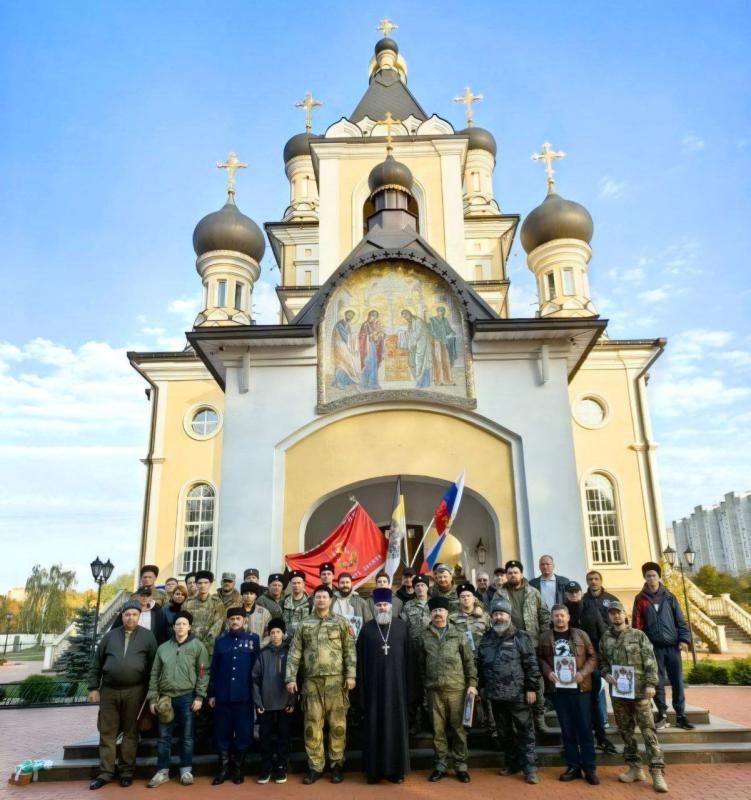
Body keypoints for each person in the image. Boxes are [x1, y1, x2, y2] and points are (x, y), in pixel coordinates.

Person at [285, 584, 356, 784]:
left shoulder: (341, 622)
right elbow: (294, 652)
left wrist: (351, 675)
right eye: (318, 597)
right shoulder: (304, 624)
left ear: (330, 600)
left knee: (338, 726)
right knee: (312, 726)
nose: (321, 600)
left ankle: (336, 765)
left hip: (336, 681)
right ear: (314, 600)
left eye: (325, 597)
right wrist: (290, 677)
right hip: (312, 683)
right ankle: (315, 766)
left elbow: (349, 650)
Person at [87, 600, 157, 790]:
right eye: (127, 614)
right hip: (109, 690)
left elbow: (153, 668)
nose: (130, 618)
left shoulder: (148, 637)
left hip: (135, 691)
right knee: (107, 732)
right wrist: (93, 688)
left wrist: (151, 692)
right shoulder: (109, 637)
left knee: (130, 733)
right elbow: (96, 663)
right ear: (122, 615)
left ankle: (126, 772)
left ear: (139, 616)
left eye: (134, 614)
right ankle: (105, 773)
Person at [600, 601, 668, 793]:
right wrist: (606, 674)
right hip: (619, 694)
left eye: (619, 613)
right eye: (612, 614)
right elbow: (602, 663)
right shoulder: (605, 638)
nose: (616, 616)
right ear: (609, 617)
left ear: (625, 614)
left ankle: (656, 771)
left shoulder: (638, 635)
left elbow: (650, 661)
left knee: (648, 731)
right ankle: (635, 767)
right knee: (626, 731)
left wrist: (650, 684)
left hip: (640, 692)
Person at [477, 598, 539, 784]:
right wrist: (482, 687)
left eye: (501, 614)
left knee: (525, 732)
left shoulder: (521, 637)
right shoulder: (486, 638)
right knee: (504, 733)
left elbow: (531, 664)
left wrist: (531, 687)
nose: (498, 617)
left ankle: (529, 768)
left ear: (509, 616)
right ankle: (511, 763)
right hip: (495, 696)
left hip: (518, 694)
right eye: (495, 614)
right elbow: (480, 664)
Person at [147, 610, 210, 788]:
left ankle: (186, 770)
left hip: (187, 696)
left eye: (184, 624)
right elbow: (154, 673)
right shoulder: (163, 648)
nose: (181, 627)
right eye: (178, 624)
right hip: (165, 698)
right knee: (164, 737)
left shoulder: (198, 647)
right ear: (173, 627)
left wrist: (199, 696)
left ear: (189, 627)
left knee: (187, 737)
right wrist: (153, 698)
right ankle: (162, 771)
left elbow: (203, 673)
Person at [418, 596, 477, 783]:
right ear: (430, 613)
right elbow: (420, 664)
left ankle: (460, 765)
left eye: (441, 610)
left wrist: (473, 684)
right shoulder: (424, 636)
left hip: (457, 690)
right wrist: (424, 686)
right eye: (434, 611)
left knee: (459, 730)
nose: (438, 614)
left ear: (447, 613)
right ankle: (440, 765)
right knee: (438, 731)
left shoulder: (459, 633)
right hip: (434, 691)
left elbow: (469, 661)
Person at [538, 604, 599, 784]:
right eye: (556, 616)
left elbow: (592, 657)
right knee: (567, 730)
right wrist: (548, 672)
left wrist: (583, 673)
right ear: (551, 618)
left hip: (580, 690)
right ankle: (573, 766)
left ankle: (589, 767)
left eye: (562, 616)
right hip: (559, 691)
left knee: (585, 730)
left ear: (568, 617)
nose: (559, 619)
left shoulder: (580, 635)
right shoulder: (545, 637)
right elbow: (540, 658)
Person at [357, 588, 412, 784]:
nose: (382, 608)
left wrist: (410, 691)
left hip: (397, 690)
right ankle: (374, 772)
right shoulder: (366, 630)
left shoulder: (402, 628)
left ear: (391, 606)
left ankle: (396, 772)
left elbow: (410, 660)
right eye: (379, 605)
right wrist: (361, 693)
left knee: (396, 728)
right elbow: (360, 664)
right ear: (374, 606)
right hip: (373, 690)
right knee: (373, 728)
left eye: (385, 605)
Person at [632, 561, 694, 730]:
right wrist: (641, 647)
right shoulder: (640, 599)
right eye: (648, 576)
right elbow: (637, 626)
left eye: (654, 575)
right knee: (657, 682)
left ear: (659, 577)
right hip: (653, 649)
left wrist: (683, 640)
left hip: (673, 647)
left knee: (677, 681)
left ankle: (681, 715)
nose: (651, 579)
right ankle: (663, 714)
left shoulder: (670, 597)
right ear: (644, 578)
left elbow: (680, 621)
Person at [493, 560, 551, 733]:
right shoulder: (499, 594)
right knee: (512, 683)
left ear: (521, 573)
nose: (512, 575)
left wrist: (543, 638)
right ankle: (514, 723)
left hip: (531, 644)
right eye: (509, 572)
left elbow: (544, 616)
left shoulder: (533, 592)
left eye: (515, 572)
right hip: (507, 646)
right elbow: (494, 617)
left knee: (536, 682)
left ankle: (539, 719)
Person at [208, 607, 260, 786]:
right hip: (223, 695)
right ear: (228, 621)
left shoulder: (253, 639)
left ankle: (238, 768)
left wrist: (255, 695)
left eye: (238, 618)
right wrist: (212, 693)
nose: (235, 621)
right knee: (222, 732)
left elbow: (256, 669)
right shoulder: (220, 640)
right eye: (232, 619)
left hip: (244, 695)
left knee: (244, 733)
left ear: (244, 620)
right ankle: (223, 769)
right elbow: (214, 668)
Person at [564, 580, 617, 755]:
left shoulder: (591, 609)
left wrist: (604, 661)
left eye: (576, 591)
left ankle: (601, 737)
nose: (573, 594)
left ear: (581, 592)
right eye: (570, 592)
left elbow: (602, 634)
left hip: (591, 664)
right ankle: (576, 740)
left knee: (593, 703)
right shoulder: (562, 611)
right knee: (572, 704)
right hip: (569, 666)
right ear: (566, 594)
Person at [253, 618, 294, 784]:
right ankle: (266, 767)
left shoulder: (291, 652)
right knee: (265, 737)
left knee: (284, 737)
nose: (275, 635)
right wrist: (258, 703)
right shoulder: (263, 654)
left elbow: (295, 678)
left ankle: (281, 767)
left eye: (278, 632)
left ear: (283, 634)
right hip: (266, 704)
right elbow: (255, 679)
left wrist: (292, 701)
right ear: (268, 635)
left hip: (285, 704)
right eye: (272, 633)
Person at [450, 583, 492, 738]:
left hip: (482, 661)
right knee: (464, 693)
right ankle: (466, 727)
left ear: (474, 598)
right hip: (461, 663)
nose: (465, 599)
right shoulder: (452, 618)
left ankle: (491, 728)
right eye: (462, 596)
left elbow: (492, 636)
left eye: (468, 596)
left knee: (485, 693)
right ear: (458, 599)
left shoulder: (485, 616)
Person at [401, 574, 431, 733]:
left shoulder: (435, 604)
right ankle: (415, 722)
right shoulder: (408, 606)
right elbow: (403, 629)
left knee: (430, 685)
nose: (420, 588)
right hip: (413, 652)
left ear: (428, 587)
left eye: (422, 585)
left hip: (432, 652)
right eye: (417, 585)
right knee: (414, 686)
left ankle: (431, 721)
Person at [184, 570, 225, 658]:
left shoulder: (217, 603)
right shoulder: (188, 603)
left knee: (205, 671)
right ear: (196, 584)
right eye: (200, 583)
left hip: (208, 649)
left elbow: (216, 627)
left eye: (206, 583)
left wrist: (203, 645)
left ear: (210, 584)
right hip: (190, 647)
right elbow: (184, 624)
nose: (203, 585)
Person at [333, 571, 372, 638]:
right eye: (342, 583)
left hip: (356, 643)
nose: (345, 585)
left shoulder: (361, 602)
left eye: (347, 582)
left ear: (352, 584)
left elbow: (369, 623)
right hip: (336, 643)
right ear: (338, 585)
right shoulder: (331, 602)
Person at [282, 569, 309, 638]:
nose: (296, 585)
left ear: (304, 583)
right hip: (287, 641)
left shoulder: (310, 602)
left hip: (304, 640)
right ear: (290, 584)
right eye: (294, 583)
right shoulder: (284, 601)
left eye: (299, 583)